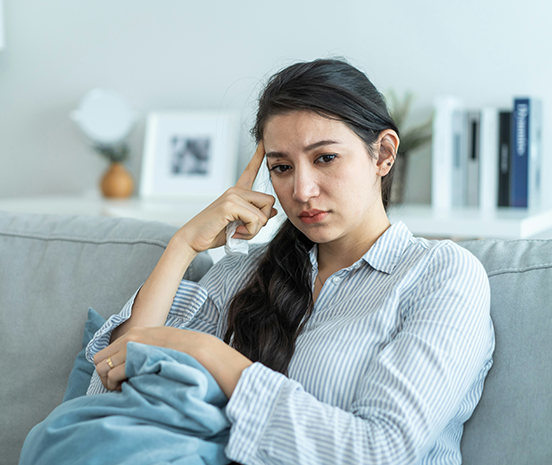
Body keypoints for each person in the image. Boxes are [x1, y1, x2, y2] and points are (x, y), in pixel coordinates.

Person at [86, 58, 494, 464]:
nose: (301, 190)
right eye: (281, 167)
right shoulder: (241, 274)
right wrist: (183, 247)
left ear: (383, 155)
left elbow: (379, 451)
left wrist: (210, 353)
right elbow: (109, 396)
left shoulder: (442, 274)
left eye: (325, 158)